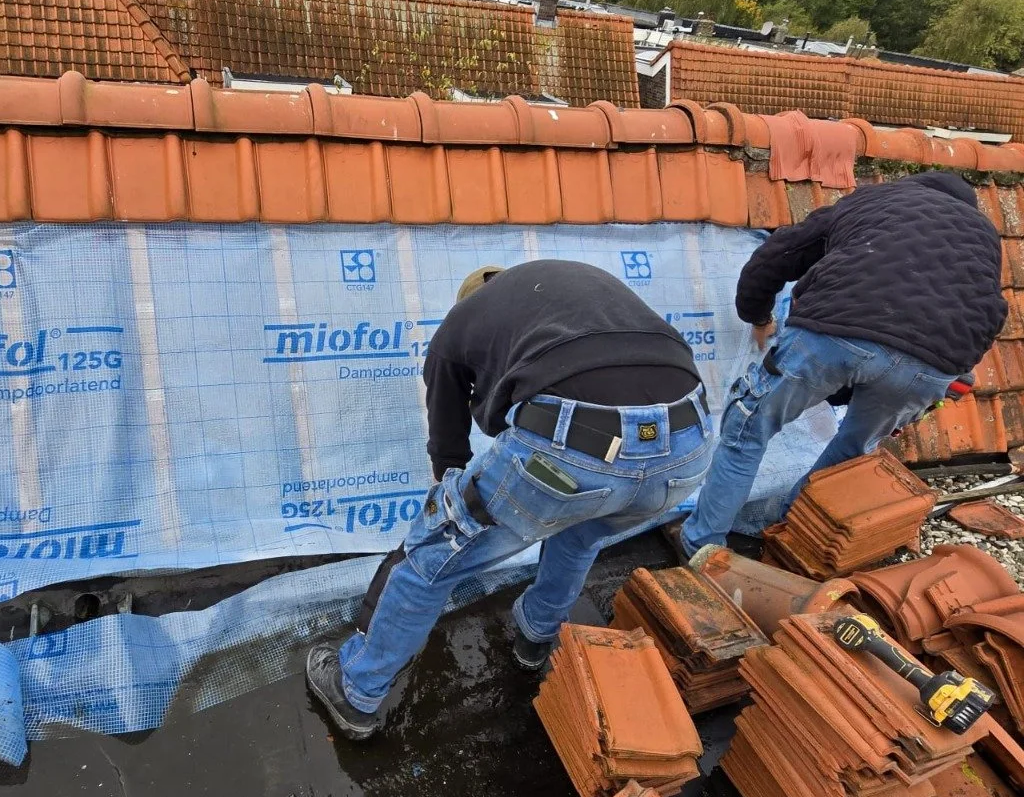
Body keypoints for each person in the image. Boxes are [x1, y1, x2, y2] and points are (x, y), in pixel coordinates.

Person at [306, 259, 713, 740]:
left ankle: (355, 690)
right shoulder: (565, 288)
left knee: (432, 557)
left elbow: (450, 445)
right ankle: (535, 639)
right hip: (688, 446)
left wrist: (454, 512)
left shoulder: (458, 327)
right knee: (580, 535)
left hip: (577, 446)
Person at [680, 169, 1006, 557]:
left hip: (838, 330)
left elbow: (778, 254)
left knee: (749, 426)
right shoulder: (985, 235)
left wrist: (757, 314)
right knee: (850, 451)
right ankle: (790, 535)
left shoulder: (873, 199)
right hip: (935, 363)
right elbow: (987, 308)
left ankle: (702, 547)